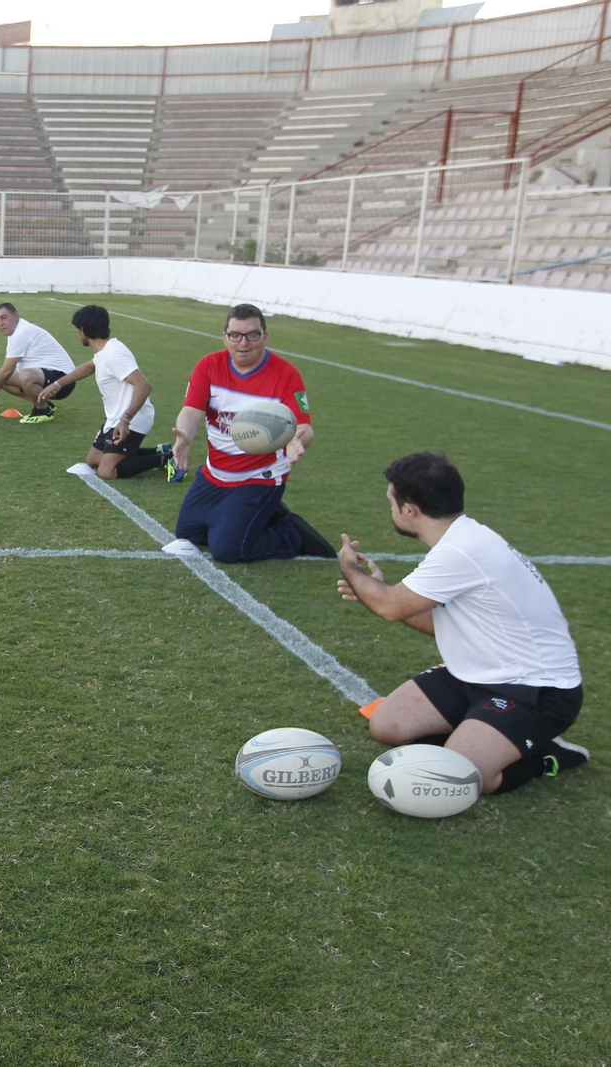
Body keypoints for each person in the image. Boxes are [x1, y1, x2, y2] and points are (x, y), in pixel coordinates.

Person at [337, 452, 588, 794]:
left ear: (409, 510)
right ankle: (488, 732)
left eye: (391, 502)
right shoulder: (463, 538)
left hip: (537, 689)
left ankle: (545, 754)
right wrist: (375, 593)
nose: (391, 509)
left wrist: (351, 571)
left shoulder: (460, 552)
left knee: (463, 776)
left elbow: (391, 608)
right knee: (387, 727)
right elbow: (416, 614)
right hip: (474, 671)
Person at [167, 304, 334, 562]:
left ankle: (292, 534)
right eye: (235, 335)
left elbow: (303, 426)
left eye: (252, 335)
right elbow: (191, 411)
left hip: (260, 476)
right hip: (215, 473)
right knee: (189, 534)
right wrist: (185, 436)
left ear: (264, 336)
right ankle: (267, 513)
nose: (243, 343)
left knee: (228, 550)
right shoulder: (209, 365)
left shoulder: (286, 374)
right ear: (225, 336)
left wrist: (297, 441)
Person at [38, 304, 176, 478]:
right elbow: (90, 366)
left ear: (83, 330)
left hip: (133, 418)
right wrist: (57, 384)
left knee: (106, 471)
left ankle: (166, 458)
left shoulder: (114, 354)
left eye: (77, 329)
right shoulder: (104, 351)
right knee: (93, 460)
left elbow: (144, 385)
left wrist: (125, 419)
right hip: (116, 418)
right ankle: (158, 451)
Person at [0, 302, 76, 425]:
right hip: (48, 376)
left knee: (24, 376)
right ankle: (44, 403)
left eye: (4, 318)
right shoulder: (16, 332)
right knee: (3, 380)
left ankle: (43, 411)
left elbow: (7, 370)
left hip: (63, 382)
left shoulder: (22, 332)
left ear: (16, 316)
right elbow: (8, 372)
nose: (0, 324)